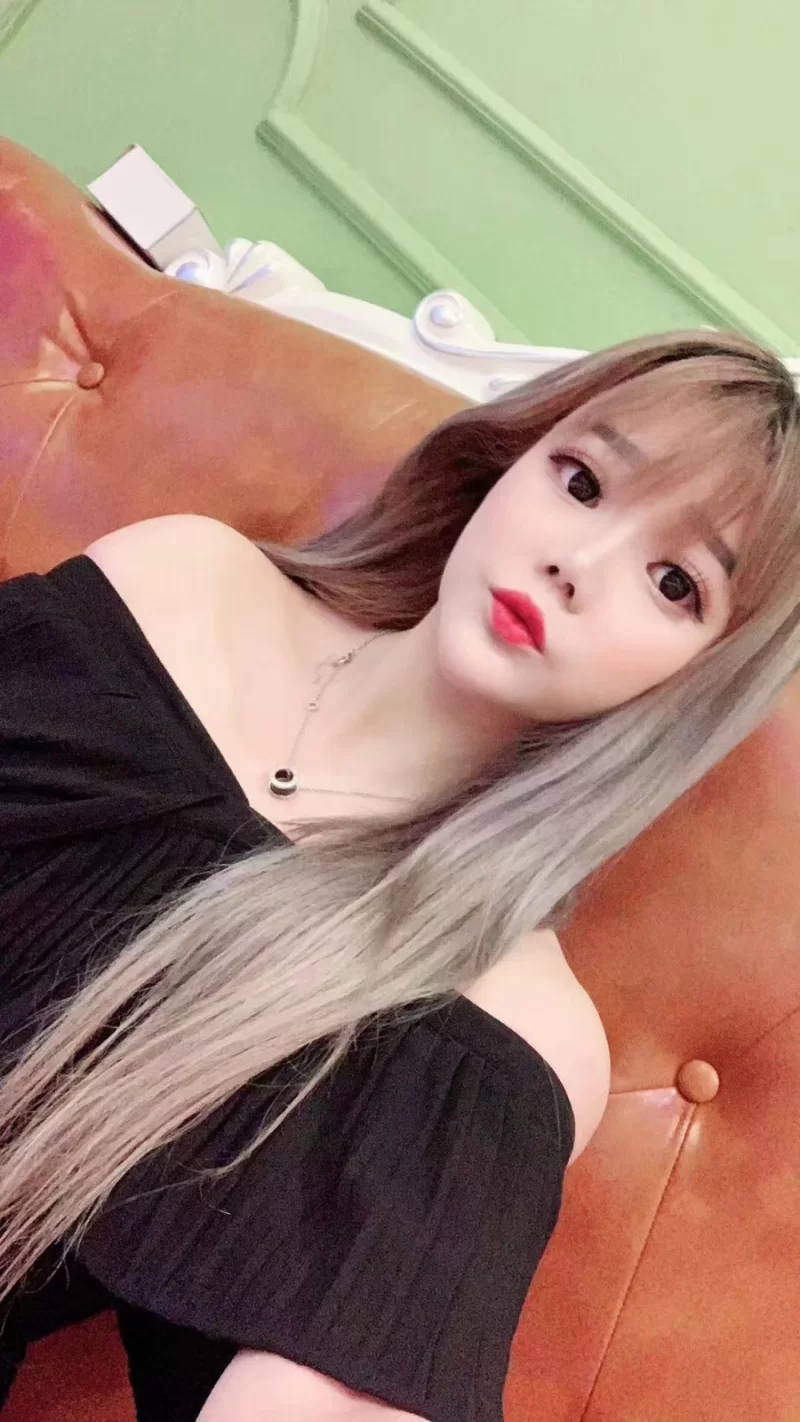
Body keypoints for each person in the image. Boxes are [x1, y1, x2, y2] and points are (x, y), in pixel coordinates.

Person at [1, 330, 799, 1422]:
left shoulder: (499, 1039)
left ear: (696, 680)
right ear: (507, 460)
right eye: (580, 481)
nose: (577, 563)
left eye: (673, 583)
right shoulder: (182, 584)